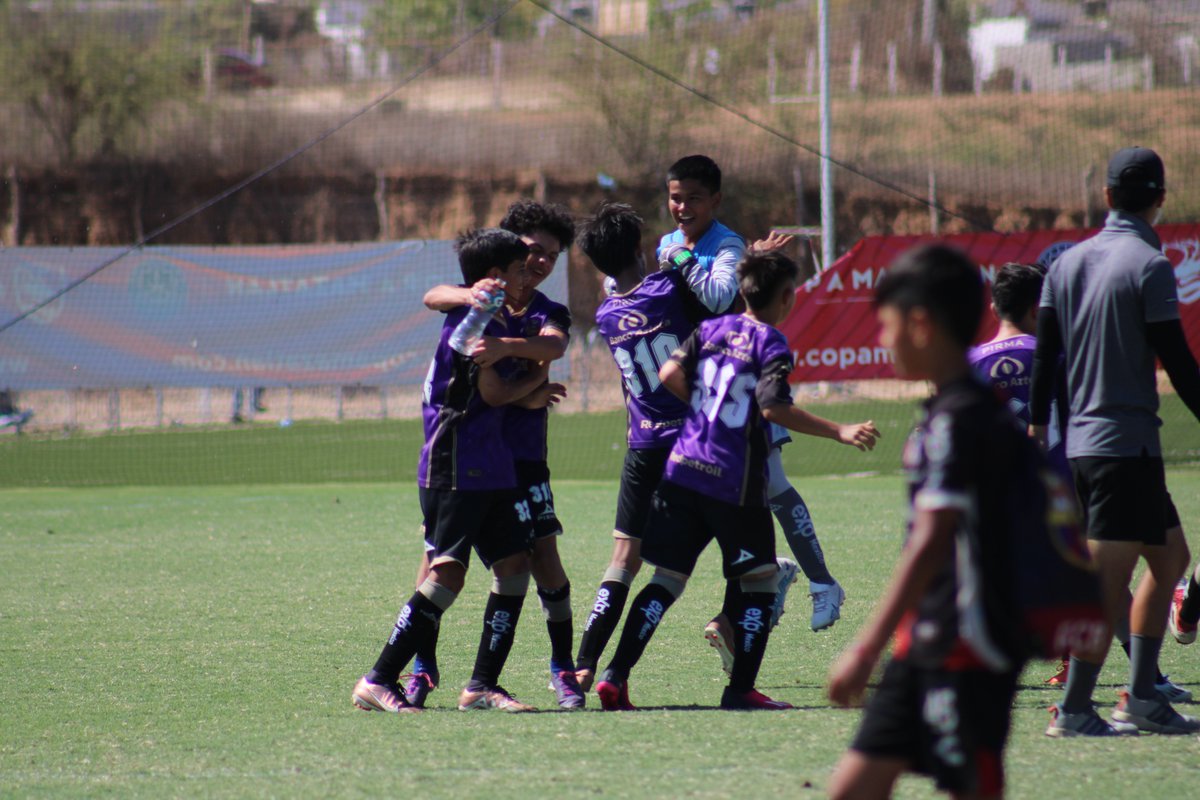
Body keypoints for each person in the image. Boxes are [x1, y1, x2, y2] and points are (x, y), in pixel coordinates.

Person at [593, 250, 879, 712]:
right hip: (734, 479)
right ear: (786, 297)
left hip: (683, 467)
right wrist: (840, 430)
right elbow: (773, 408)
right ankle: (740, 689)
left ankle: (615, 676)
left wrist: (706, 409)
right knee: (762, 581)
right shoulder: (772, 343)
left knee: (666, 578)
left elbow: (668, 373)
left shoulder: (709, 329)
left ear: (742, 291)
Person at [828, 243, 1028, 800]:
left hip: (968, 647)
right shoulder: (952, 412)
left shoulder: (961, 421)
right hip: (923, 642)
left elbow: (931, 541)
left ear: (919, 324)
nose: (880, 340)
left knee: (972, 786)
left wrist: (864, 647)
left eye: (885, 325)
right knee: (853, 787)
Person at [1031, 146, 1200, 736]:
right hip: (1122, 449)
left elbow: (1046, 356)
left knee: (1172, 558)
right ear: (1159, 200)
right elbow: (1176, 360)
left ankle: (1142, 696)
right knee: (1105, 587)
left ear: (1105, 197)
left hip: (1091, 446)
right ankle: (1077, 709)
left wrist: (1036, 425)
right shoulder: (1151, 265)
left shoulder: (1066, 264)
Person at [351, 228, 555, 714]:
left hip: (491, 464)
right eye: (517, 269)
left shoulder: (481, 311)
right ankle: (378, 679)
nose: (526, 276)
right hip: (457, 462)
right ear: (494, 276)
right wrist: (534, 380)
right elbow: (491, 393)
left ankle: (482, 684)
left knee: (513, 567)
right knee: (447, 576)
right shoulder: (476, 317)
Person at [658, 154, 848, 643]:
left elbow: (722, 298)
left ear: (715, 201)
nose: (681, 207)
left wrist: (683, 260)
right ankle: (771, 576)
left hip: (739, 378)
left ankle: (821, 582)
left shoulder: (725, 244)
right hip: (702, 390)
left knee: (774, 483)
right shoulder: (666, 243)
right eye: (675, 197)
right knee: (734, 494)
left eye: (693, 198)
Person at [412, 200, 581, 709]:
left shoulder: (546, 310)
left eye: (551, 256)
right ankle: (421, 665)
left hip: (523, 456)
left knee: (541, 555)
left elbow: (553, 346)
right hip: (464, 455)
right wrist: (470, 294)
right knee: (437, 560)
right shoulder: (480, 299)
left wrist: (508, 350)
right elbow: (432, 295)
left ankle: (560, 669)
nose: (540, 262)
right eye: (532, 250)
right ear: (510, 249)